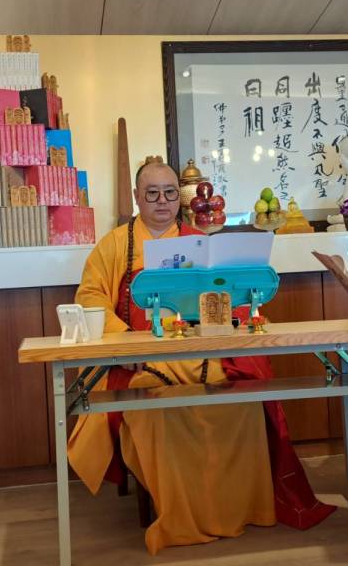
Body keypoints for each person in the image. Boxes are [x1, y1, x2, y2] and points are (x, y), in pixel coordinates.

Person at [68, 159, 334, 554]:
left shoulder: (202, 241)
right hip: (144, 362)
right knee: (155, 411)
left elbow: (231, 293)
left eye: (170, 193)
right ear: (138, 197)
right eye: (152, 194)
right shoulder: (114, 245)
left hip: (204, 355)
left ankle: (243, 509)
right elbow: (90, 297)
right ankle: (180, 518)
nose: (162, 201)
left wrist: (241, 314)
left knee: (243, 403)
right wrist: (124, 343)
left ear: (180, 197)